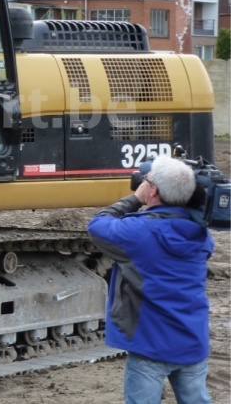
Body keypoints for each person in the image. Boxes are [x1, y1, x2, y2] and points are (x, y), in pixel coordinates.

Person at [87, 155, 214, 404]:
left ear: (153, 190)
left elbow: (97, 225)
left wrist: (135, 198)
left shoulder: (139, 233)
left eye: (145, 181)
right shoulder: (201, 235)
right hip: (192, 341)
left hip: (151, 346)